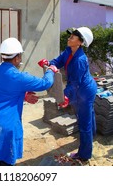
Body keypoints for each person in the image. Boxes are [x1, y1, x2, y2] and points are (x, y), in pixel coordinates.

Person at [0, 37, 57, 166]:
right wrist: (50, 70)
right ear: (17, 57)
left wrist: (22, 95)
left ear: (3, 56)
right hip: (3, 128)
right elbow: (46, 83)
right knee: (6, 164)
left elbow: (0, 91)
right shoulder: (20, 77)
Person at [38, 27, 97, 162]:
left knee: (84, 123)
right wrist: (49, 64)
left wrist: (64, 96)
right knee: (89, 115)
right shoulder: (68, 51)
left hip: (84, 92)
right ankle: (92, 135)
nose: (69, 38)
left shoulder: (80, 60)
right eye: (70, 36)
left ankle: (84, 155)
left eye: (73, 37)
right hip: (81, 89)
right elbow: (58, 61)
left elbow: (75, 83)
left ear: (80, 42)